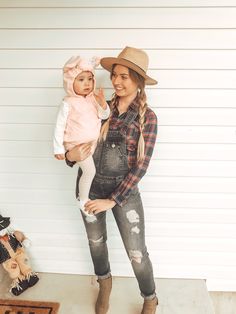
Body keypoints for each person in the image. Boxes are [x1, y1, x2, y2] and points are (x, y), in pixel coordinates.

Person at [66, 47, 158, 314]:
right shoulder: (96, 107)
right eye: (115, 75)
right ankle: (104, 283)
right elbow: (76, 140)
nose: (116, 81)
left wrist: (112, 200)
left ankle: (150, 297)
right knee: (96, 243)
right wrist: (71, 155)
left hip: (124, 193)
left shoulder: (147, 118)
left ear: (138, 82)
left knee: (137, 253)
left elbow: (141, 167)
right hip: (90, 188)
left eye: (125, 77)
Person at [53, 56, 110, 215]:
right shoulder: (68, 102)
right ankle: (83, 199)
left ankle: (89, 196)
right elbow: (59, 126)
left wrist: (102, 104)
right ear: (71, 82)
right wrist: (58, 148)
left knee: (93, 170)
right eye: (81, 79)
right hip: (77, 145)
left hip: (90, 143)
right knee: (89, 171)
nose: (87, 83)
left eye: (90, 79)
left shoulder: (92, 99)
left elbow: (104, 115)